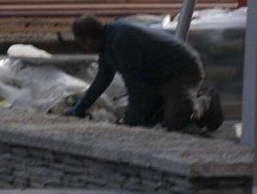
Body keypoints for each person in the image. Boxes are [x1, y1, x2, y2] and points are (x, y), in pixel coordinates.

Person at [67, 15, 211, 130]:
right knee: (150, 119)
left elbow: (135, 86)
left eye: (82, 43)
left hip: (181, 72)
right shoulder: (105, 44)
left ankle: (204, 102)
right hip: (158, 77)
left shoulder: (121, 40)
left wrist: (129, 122)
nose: (84, 48)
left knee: (174, 123)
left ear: (89, 38)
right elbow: (101, 81)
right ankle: (177, 102)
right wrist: (79, 109)